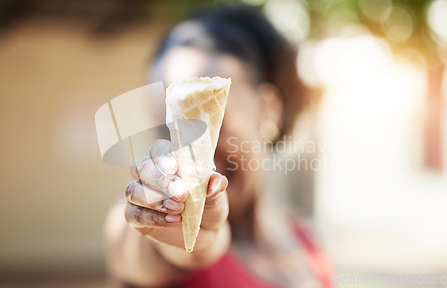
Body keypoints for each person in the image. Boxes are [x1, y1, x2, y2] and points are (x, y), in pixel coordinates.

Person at [104, 5, 331, 288]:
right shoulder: (144, 225)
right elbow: (146, 247)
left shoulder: (307, 244)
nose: (188, 149)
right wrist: (189, 238)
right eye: (168, 127)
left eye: (211, 123)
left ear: (267, 110)